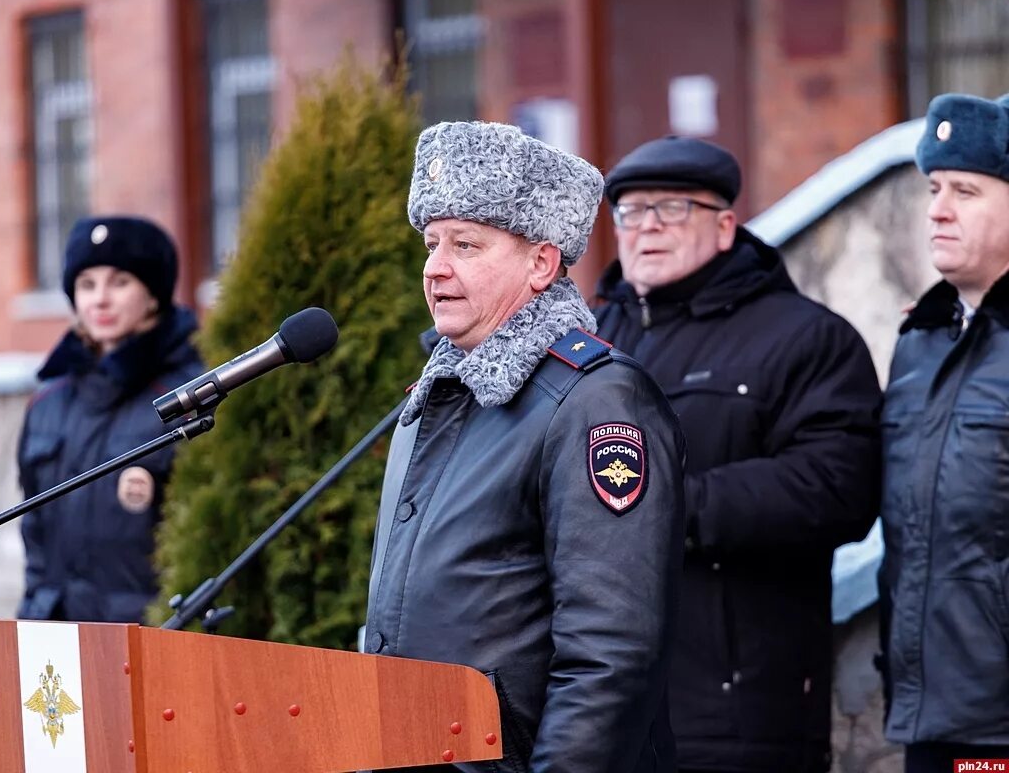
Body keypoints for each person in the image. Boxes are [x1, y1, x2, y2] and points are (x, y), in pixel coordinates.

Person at [364, 121, 686, 773]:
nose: (435, 267)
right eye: (430, 244)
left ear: (540, 263)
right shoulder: (440, 396)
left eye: (466, 244)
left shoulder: (597, 402)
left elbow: (610, 652)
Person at [594, 136, 882, 773]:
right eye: (630, 212)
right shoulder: (587, 341)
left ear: (725, 226)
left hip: (741, 715)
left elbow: (839, 488)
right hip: (603, 710)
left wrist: (661, 507)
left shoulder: (806, 339)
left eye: (671, 209)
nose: (646, 229)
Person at [878, 92, 1009, 772]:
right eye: (933, 187)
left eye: (966, 189)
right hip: (928, 711)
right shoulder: (920, 341)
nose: (938, 209)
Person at [16, 215, 203, 624]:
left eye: (119, 282)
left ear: (153, 295)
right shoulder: (48, 402)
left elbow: (203, 533)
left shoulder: (190, 397)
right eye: (87, 284)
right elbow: (36, 536)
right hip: (58, 640)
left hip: (151, 637)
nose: (100, 299)